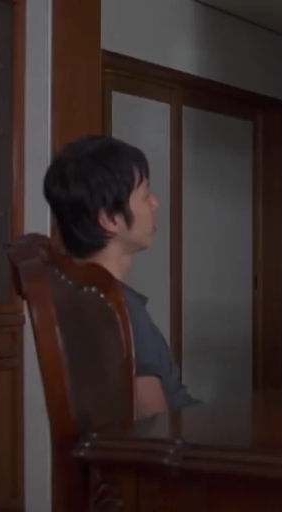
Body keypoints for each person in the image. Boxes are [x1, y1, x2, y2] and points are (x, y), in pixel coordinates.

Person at [44, 134, 198, 418]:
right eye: (145, 193)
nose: (155, 203)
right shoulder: (120, 309)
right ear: (110, 219)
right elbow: (153, 427)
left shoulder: (75, 295)